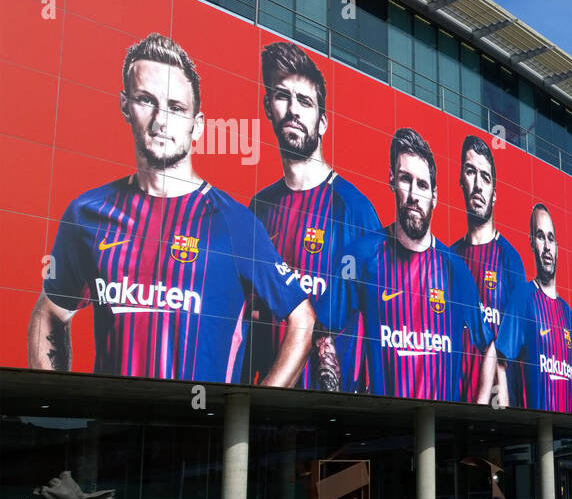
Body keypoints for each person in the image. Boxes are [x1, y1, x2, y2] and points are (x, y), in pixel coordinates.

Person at [29, 32, 315, 385]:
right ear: (125, 107)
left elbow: (301, 319)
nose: (161, 121)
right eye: (146, 100)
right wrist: (55, 401)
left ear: (196, 126)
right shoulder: (87, 213)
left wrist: (253, 411)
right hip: (108, 434)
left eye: (177, 108)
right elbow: (51, 311)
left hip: (201, 435)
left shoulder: (235, 222)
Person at [317, 128, 496, 400]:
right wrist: (336, 393)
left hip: (442, 430)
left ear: (434, 195)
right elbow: (324, 326)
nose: (414, 195)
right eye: (405, 179)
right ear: (391, 180)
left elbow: (488, 344)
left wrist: (482, 405)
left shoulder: (456, 270)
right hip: (379, 428)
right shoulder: (358, 255)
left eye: (422, 185)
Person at [246, 41, 382, 391]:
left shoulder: (354, 209)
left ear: (322, 122)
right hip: (264, 405)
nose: (293, 110)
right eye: (282, 97)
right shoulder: (258, 208)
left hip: (331, 410)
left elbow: (378, 315)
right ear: (267, 107)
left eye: (304, 102)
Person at [451, 135, 527, 407]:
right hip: (452, 399)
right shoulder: (448, 257)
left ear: (495, 191)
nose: (478, 185)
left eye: (485, 176)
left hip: (499, 404)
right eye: (471, 172)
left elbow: (516, 340)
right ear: (461, 180)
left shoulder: (511, 259)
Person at [495, 204, 572, 412]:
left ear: (557, 248)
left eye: (551, 238)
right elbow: (500, 360)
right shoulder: (523, 297)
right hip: (532, 430)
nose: (546, 246)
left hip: (566, 433)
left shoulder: (567, 312)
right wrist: (506, 412)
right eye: (540, 236)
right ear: (532, 243)